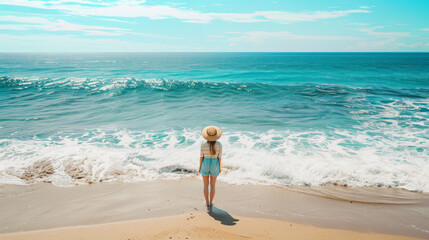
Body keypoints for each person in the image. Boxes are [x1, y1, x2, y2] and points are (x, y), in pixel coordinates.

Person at [199, 125, 222, 210]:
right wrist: (219, 167)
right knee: (212, 185)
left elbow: (201, 156)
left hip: (205, 163)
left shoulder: (203, 144)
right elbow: (219, 157)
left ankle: (207, 202)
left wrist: (200, 166)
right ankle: (211, 202)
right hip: (214, 164)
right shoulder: (219, 145)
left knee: (205, 184)